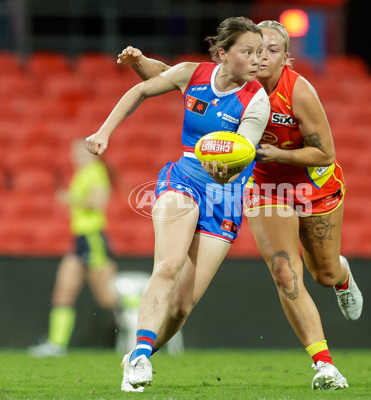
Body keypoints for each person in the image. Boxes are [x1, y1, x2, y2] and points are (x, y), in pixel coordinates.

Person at [117, 20, 363, 390]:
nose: (261, 57)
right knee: (284, 271)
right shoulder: (230, 80)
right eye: (254, 49)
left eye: (271, 50)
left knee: (324, 273)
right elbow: (173, 77)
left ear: (286, 58)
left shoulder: (297, 92)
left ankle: (341, 276)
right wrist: (140, 61)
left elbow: (326, 153)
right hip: (264, 186)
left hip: (311, 183)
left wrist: (276, 153)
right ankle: (324, 364)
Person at [86, 16, 270, 392]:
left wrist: (226, 172)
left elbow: (242, 156)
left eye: (261, 52)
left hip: (226, 194)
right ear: (223, 54)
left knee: (183, 305)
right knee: (168, 267)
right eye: (247, 51)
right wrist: (104, 131)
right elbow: (143, 88)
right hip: (183, 178)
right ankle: (138, 357)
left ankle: (142, 352)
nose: (257, 60)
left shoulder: (257, 101)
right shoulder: (194, 73)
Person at [28, 138, 120, 358]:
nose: (77, 157)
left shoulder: (95, 171)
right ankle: (56, 344)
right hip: (79, 239)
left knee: (108, 298)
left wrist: (71, 198)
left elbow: (98, 202)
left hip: (92, 237)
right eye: (75, 153)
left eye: (81, 153)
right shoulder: (81, 174)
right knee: (63, 291)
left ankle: (146, 327)